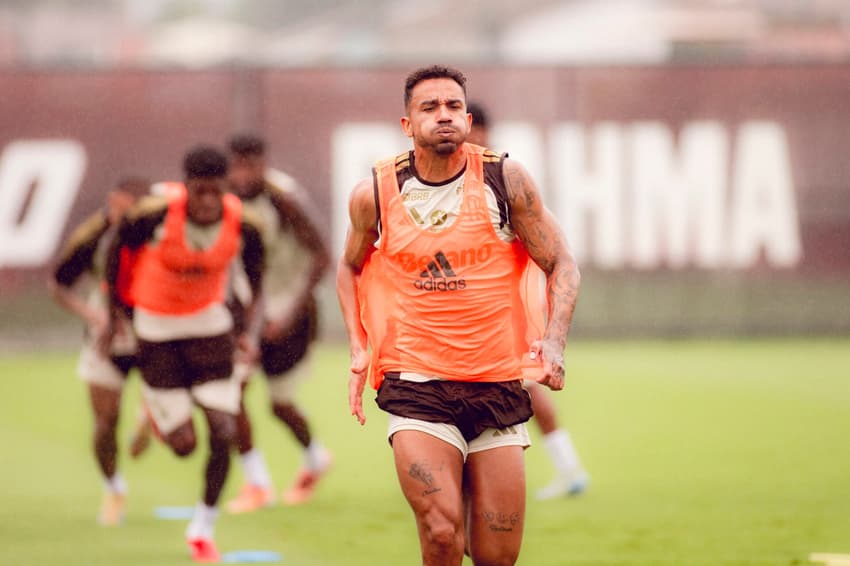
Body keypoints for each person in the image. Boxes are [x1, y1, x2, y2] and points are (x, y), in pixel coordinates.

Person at [336, 66, 580, 566]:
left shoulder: (505, 180)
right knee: (442, 531)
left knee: (496, 556)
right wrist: (360, 347)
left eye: (453, 107)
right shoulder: (376, 191)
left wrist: (555, 342)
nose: (443, 115)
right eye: (429, 107)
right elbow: (348, 268)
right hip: (417, 385)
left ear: (467, 119)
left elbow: (562, 263)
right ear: (407, 125)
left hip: (496, 384)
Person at [103, 146, 265, 563]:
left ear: (225, 188)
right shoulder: (151, 215)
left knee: (224, 432)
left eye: (215, 191)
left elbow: (255, 279)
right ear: (186, 187)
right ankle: (155, 412)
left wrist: (248, 331)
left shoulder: (246, 223)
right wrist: (115, 313)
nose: (208, 201)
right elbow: (114, 253)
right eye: (199, 191)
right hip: (157, 333)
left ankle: (202, 529)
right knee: (184, 446)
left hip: (210, 330)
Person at [467, 101, 589, 500]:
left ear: (480, 130)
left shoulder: (502, 178)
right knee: (525, 388)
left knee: (527, 386)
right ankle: (566, 469)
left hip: (506, 307)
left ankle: (566, 470)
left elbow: (543, 245)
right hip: (483, 309)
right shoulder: (465, 179)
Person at [223, 134, 333, 513]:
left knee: (280, 404)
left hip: (289, 312)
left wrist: (290, 313)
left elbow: (322, 256)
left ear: (263, 165)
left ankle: (315, 458)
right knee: (231, 393)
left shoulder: (283, 199)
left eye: (250, 165)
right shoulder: (223, 200)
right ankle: (258, 483)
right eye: (237, 165)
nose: (243, 174)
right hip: (249, 311)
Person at [48, 176, 149, 526]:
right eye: (117, 208)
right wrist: (95, 316)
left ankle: (151, 417)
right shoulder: (93, 235)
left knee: (174, 417)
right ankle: (113, 487)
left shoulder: (161, 228)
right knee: (105, 421)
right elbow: (59, 285)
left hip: (154, 331)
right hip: (108, 335)